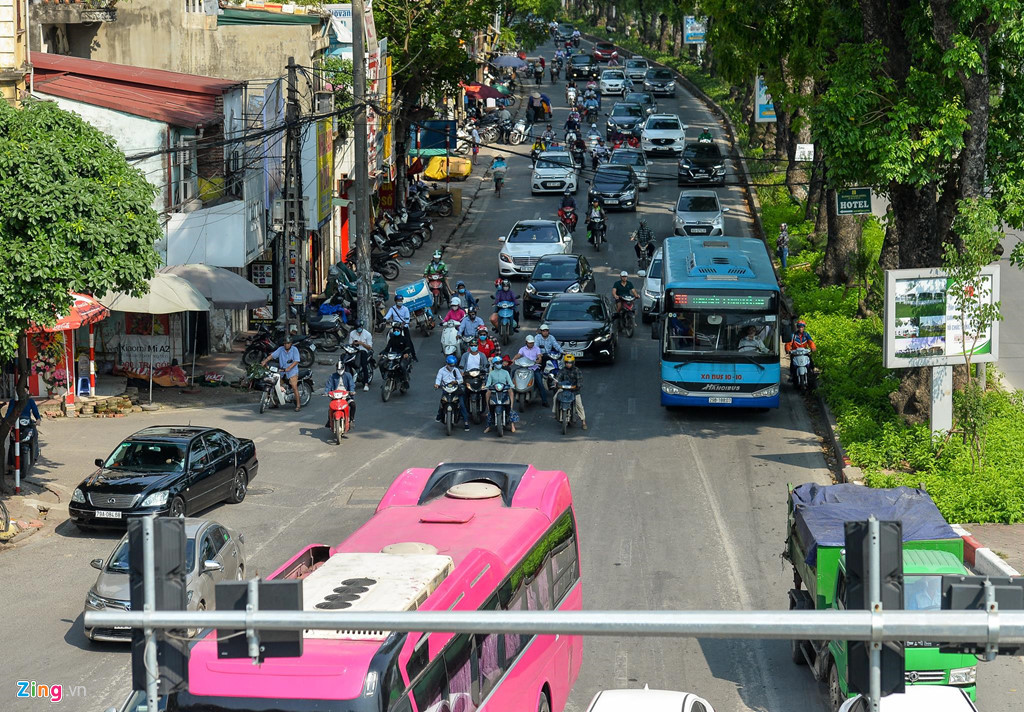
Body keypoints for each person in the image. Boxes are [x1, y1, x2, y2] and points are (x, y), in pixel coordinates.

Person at [261, 335, 302, 411]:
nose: (286, 345)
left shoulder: (294, 350)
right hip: (282, 372)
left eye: (288, 343)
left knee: (294, 386)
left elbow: (296, 361)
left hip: (292, 372)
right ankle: (275, 403)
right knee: (275, 385)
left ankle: (298, 405)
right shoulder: (280, 349)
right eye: (285, 343)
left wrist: (289, 368)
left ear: (291, 344)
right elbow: (272, 356)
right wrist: (265, 361)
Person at [435, 355, 470, 431]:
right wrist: (437, 384)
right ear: (447, 364)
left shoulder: (456, 370)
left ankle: (466, 422)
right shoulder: (441, 370)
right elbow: (438, 378)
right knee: (442, 402)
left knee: (462, 405)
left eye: (453, 365)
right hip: (446, 389)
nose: (452, 366)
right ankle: (439, 415)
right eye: (450, 365)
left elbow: (461, 380)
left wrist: (456, 381)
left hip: (455, 389)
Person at [552, 353, 586, 429]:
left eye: (570, 363)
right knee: (555, 397)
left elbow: (580, 380)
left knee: (579, 405)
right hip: (563, 389)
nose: (568, 364)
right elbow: (558, 378)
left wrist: (578, 385)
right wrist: (555, 383)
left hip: (574, 390)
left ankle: (583, 421)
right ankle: (555, 412)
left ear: (573, 363)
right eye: (567, 362)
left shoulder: (577, 371)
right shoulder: (562, 370)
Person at [484, 356, 517, 433]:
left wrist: (512, 385)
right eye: (497, 363)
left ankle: (511, 408)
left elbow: (509, 382)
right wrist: (487, 387)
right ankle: (488, 408)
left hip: (504, 389)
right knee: (487, 392)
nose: (499, 364)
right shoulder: (491, 373)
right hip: (494, 390)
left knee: (511, 391)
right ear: (494, 364)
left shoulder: (505, 372)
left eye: (500, 363)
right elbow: (488, 383)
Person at [515, 334, 549, 407]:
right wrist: (513, 360)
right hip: (523, 368)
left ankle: (544, 401)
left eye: (532, 343)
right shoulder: (522, 349)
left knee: (540, 383)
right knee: (514, 374)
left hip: (534, 368)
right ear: (526, 342)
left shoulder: (536, 349)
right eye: (530, 343)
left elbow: (539, 356)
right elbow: (518, 355)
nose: (531, 344)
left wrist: (539, 360)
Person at [324, 360, 357, 429]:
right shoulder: (332, 376)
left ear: (344, 368)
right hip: (335, 397)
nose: (339, 371)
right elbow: (328, 385)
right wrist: (326, 392)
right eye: (338, 369)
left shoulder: (348, 375)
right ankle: (329, 420)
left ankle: (351, 420)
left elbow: (351, 384)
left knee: (353, 405)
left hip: (346, 396)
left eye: (341, 369)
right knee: (331, 408)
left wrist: (351, 391)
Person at [346, 319, 374, 390]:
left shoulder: (367, 334)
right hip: (354, 351)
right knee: (346, 361)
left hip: (363, 351)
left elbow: (369, 347)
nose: (359, 329)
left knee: (364, 364)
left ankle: (366, 384)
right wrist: (353, 343)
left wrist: (361, 343)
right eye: (357, 328)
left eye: (360, 327)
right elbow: (350, 344)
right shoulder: (352, 333)